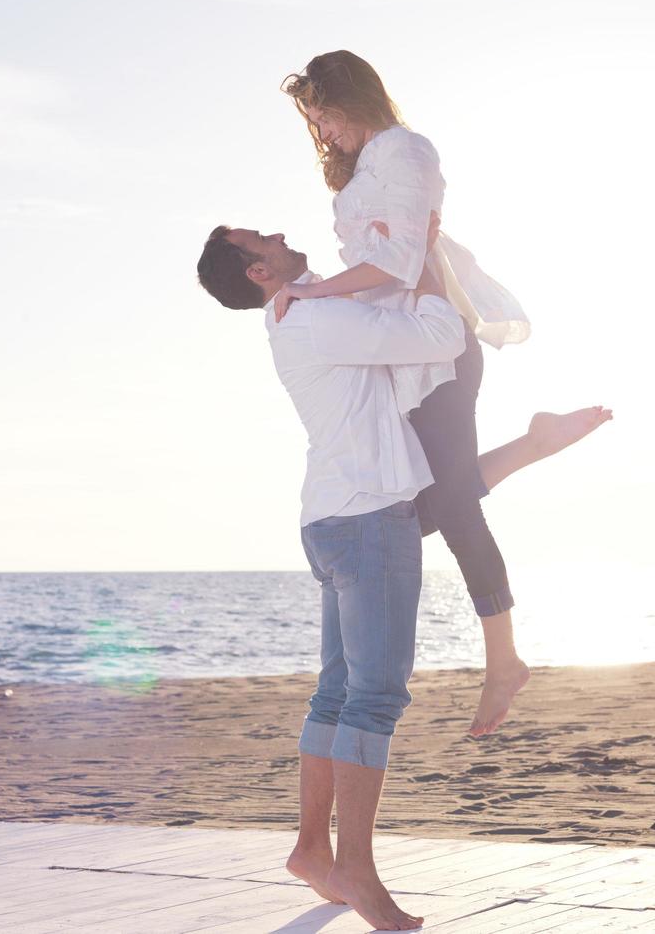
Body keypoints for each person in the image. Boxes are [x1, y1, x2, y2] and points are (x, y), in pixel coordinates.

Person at [278, 50, 612, 736]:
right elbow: (391, 262)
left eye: (323, 116)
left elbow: (399, 262)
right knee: (426, 505)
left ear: (350, 99)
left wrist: (311, 290)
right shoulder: (368, 167)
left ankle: (503, 664)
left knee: (441, 511)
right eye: (313, 123)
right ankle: (533, 443)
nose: (322, 132)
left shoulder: (403, 150)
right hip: (413, 350)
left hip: (441, 347)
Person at [197, 223, 466, 930]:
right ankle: (355, 869)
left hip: (332, 519)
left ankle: (313, 850)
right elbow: (440, 333)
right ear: (258, 272)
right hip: (368, 520)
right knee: (372, 700)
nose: (281, 232)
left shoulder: (304, 311)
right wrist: (427, 251)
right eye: (263, 237)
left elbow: (381, 316)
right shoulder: (312, 316)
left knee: (338, 694)